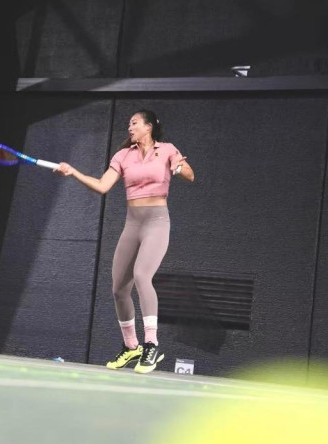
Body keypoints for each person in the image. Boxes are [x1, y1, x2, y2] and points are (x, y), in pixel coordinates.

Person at [54, 109, 194, 373]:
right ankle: (132, 347)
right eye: (128, 124)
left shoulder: (166, 150)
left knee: (142, 275)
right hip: (132, 224)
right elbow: (102, 186)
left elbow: (190, 174)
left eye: (134, 123)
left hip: (157, 222)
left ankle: (151, 344)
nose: (129, 127)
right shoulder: (123, 156)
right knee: (119, 289)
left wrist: (178, 167)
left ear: (148, 127)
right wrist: (73, 172)